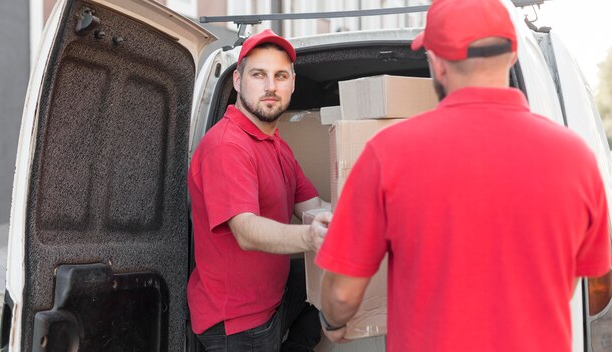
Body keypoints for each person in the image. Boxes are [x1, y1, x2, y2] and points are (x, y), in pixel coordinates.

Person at [315, 0, 611, 351]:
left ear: (437, 64)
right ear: (512, 54)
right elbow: (596, 283)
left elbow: (344, 293)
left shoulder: (387, 154)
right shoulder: (576, 156)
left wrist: (331, 322)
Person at [187, 29, 331, 351]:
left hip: (273, 293)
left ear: (292, 84)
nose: (270, 86)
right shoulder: (227, 146)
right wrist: (311, 237)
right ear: (238, 81)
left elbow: (314, 206)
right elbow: (246, 230)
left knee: (326, 279)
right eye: (258, 75)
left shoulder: (275, 144)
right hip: (239, 321)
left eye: (280, 76)